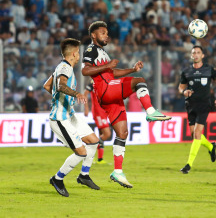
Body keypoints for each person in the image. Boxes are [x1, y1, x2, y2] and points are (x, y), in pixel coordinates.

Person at [81, 21, 171, 188]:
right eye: (102, 32)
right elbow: (85, 70)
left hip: (111, 93)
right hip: (105, 89)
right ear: (93, 35)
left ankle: (118, 172)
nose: (106, 35)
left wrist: (131, 69)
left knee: (122, 133)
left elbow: (113, 72)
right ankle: (150, 111)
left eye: (107, 32)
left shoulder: (103, 52)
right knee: (139, 82)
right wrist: (108, 66)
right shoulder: (91, 50)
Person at [43, 38, 101, 197]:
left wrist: (60, 100)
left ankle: (84, 175)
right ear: (74, 53)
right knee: (81, 152)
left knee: (94, 141)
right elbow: (61, 86)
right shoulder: (65, 68)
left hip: (70, 115)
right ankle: (57, 179)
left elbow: (47, 86)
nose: (79, 56)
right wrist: (76, 94)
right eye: (78, 53)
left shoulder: (60, 67)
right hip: (60, 120)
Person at [178, 46, 216, 174]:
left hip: (204, 104)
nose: (196, 55)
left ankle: (188, 165)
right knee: (194, 135)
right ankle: (211, 146)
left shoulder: (210, 69)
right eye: (194, 53)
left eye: (198, 53)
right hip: (190, 105)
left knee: (197, 134)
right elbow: (180, 87)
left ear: (202, 55)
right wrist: (184, 91)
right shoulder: (186, 71)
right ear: (191, 56)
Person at [84, 80, 112, 164]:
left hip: (103, 111)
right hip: (98, 112)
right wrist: (86, 108)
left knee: (102, 134)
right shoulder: (93, 83)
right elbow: (85, 94)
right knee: (107, 134)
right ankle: (90, 145)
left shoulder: (105, 82)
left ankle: (100, 159)